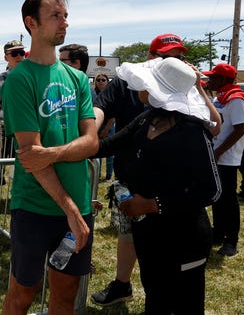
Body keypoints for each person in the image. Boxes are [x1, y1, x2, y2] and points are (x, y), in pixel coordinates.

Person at [25, 57, 221, 313]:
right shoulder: (147, 119)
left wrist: (152, 205)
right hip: (150, 232)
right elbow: (106, 146)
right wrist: (57, 152)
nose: (139, 88)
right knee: (156, 295)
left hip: (183, 237)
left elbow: (211, 189)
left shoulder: (192, 131)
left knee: (185, 302)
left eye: (146, 85)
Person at [1, 0, 98, 314]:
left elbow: (92, 142)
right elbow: (31, 156)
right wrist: (70, 209)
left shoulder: (77, 78)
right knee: (22, 294)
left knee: (65, 296)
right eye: (55, 16)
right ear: (32, 22)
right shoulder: (20, 79)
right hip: (34, 207)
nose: (64, 23)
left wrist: (54, 153)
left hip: (79, 204)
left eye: (65, 16)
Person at [91, 32, 189, 306]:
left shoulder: (183, 83)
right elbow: (100, 109)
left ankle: (164, 293)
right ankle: (123, 284)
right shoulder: (125, 83)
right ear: (149, 57)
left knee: (166, 241)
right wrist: (89, 136)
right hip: (131, 174)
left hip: (170, 180)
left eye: (178, 58)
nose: (172, 63)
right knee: (128, 232)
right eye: (166, 57)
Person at [203, 62, 244, 257]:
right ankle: (218, 233)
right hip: (215, 155)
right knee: (217, 196)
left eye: (213, 77)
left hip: (227, 158)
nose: (210, 80)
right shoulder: (220, 98)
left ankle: (231, 240)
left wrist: (220, 151)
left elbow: (240, 129)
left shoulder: (236, 99)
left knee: (229, 200)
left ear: (224, 80)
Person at [0, 40, 26, 120]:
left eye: (21, 52)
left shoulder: (33, 77)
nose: (19, 56)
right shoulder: (1, 79)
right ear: (6, 58)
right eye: (14, 53)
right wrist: (11, 115)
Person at [93, 73, 116, 181]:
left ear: (107, 81)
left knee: (110, 152)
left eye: (103, 80)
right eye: (98, 80)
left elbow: (113, 116)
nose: (101, 82)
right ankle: (97, 174)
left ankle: (108, 176)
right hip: (96, 125)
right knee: (97, 150)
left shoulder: (112, 93)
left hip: (109, 125)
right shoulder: (93, 94)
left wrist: (106, 129)